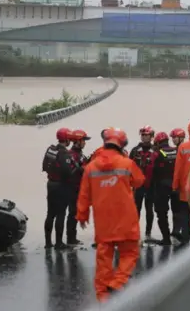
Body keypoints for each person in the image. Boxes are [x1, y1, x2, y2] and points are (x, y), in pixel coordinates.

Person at [77, 128, 145, 302]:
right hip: (126, 219)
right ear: (121, 145)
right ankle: (118, 282)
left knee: (104, 259)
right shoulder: (126, 163)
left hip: (103, 220)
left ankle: (103, 298)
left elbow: (84, 194)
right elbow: (139, 180)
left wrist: (82, 215)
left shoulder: (91, 167)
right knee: (130, 253)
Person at [42, 127, 79, 250]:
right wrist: (79, 169)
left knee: (50, 214)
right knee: (61, 214)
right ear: (67, 140)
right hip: (61, 186)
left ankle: (48, 242)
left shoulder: (51, 150)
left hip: (50, 184)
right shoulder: (65, 154)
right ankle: (59, 243)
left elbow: (44, 166)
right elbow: (68, 173)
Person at [150, 132, 178, 245]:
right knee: (177, 212)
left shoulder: (156, 153)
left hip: (161, 187)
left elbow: (151, 170)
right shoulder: (176, 151)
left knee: (161, 213)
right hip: (176, 187)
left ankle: (166, 239)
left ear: (157, 142)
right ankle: (177, 234)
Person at [129, 125, 156, 241]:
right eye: (143, 135)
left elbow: (161, 164)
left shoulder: (156, 150)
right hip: (137, 186)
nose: (145, 137)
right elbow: (128, 166)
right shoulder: (135, 151)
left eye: (147, 135)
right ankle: (134, 232)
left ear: (151, 137)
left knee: (149, 210)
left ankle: (148, 233)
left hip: (151, 186)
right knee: (136, 210)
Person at [66, 129, 91, 246]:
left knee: (74, 213)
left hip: (77, 188)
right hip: (72, 189)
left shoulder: (80, 155)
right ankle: (71, 239)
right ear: (77, 141)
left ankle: (72, 237)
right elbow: (71, 173)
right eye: (83, 141)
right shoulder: (71, 155)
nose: (85, 143)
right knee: (72, 213)